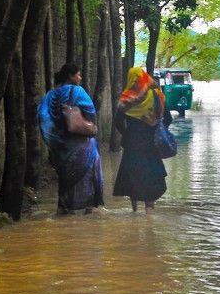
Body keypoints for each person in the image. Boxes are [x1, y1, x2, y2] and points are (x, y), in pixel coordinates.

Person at [38, 63, 104, 215]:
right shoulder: (78, 91)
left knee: (65, 181)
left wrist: (56, 138)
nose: (80, 78)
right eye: (78, 75)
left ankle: (64, 212)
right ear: (70, 76)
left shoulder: (50, 95)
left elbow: (42, 116)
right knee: (88, 178)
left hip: (62, 147)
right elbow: (91, 111)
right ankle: (88, 214)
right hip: (82, 144)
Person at [113, 67, 173, 212]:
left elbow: (118, 122)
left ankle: (134, 211)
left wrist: (127, 134)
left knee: (132, 177)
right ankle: (149, 213)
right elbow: (168, 118)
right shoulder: (157, 95)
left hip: (132, 145)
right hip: (151, 144)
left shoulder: (126, 98)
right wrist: (157, 128)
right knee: (150, 179)